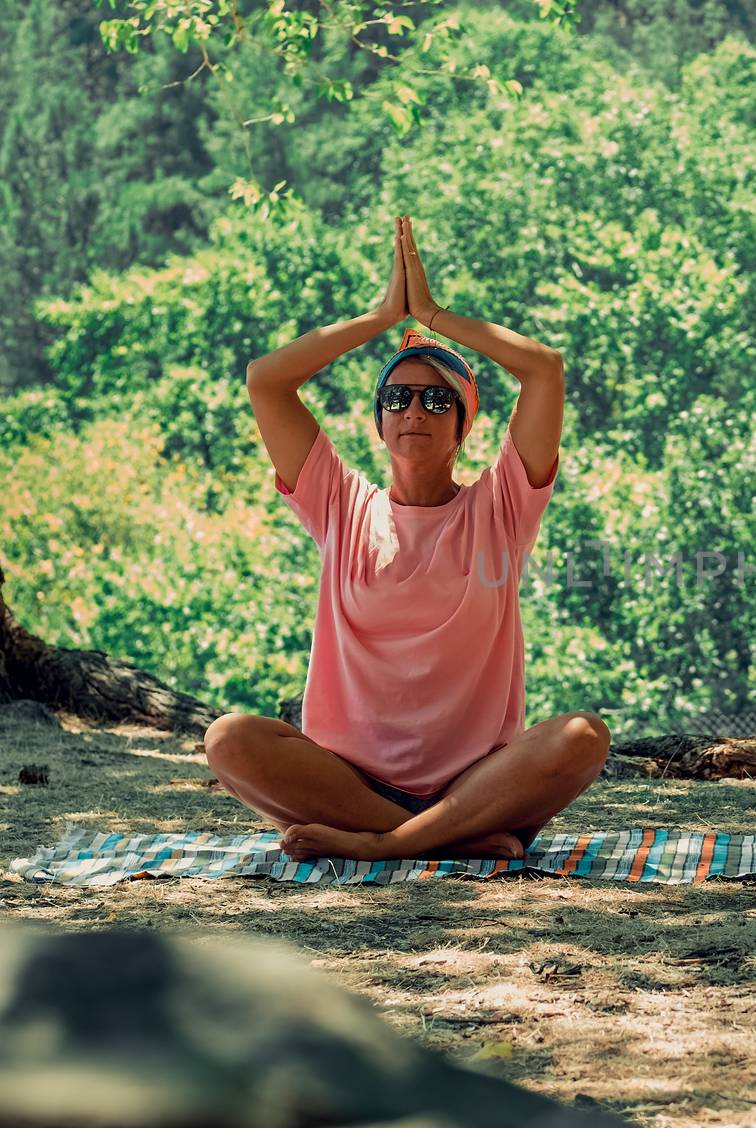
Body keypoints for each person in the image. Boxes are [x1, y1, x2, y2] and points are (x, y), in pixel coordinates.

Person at [203, 215, 608, 862]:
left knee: (584, 736)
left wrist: (434, 314)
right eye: (397, 397)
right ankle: (438, 840)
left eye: (436, 400)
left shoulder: (502, 507)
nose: (414, 410)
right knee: (229, 739)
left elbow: (544, 370)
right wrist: (381, 317)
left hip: (479, 785)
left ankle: (388, 845)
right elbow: (266, 380)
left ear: (465, 427)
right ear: (380, 419)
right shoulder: (338, 502)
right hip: (349, 784)